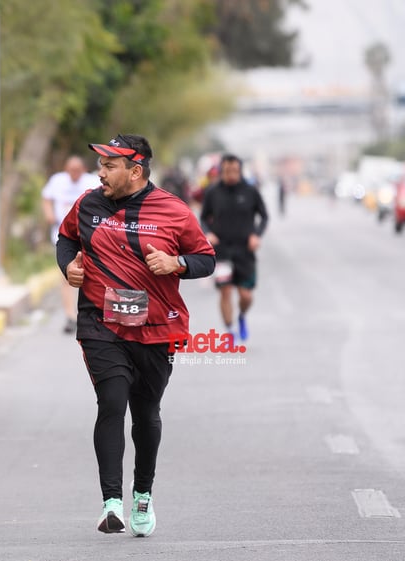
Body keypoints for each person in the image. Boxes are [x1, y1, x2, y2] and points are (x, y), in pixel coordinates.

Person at [56, 134, 215, 537]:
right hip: (100, 322)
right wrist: (68, 269)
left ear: (136, 170)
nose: (101, 173)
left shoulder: (173, 210)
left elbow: (206, 259)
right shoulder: (88, 204)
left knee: (145, 414)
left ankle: (142, 493)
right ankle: (111, 502)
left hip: (157, 326)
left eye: (109, 166)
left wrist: (175, 262)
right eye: (101, 165)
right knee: (111, 401)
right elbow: (66, 237)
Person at [199, 153, 269, 342]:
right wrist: (208, 233)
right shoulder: (213, 192)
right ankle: (230, 330)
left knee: (245, 295)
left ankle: (242, 316)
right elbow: (203, 218)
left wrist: (257, 235)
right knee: (225, 291)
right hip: (221, 251)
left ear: (240, 170)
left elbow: (264, 217)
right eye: (227, 171)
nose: (231, 174)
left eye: (235, 171)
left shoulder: (250, 191)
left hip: (245, 250)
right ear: (222, 171)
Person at [41, 155, 100, 334]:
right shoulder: (57, 181)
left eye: (77, 170)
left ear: (83, 170)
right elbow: (46, 198)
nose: (73, 174)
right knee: (67, 275)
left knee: (92, 276)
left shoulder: (93, 181)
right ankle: (70, 316)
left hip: (90, 237)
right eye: (70, 170)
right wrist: (49, 214)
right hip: (63, 236)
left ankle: (93, 315)